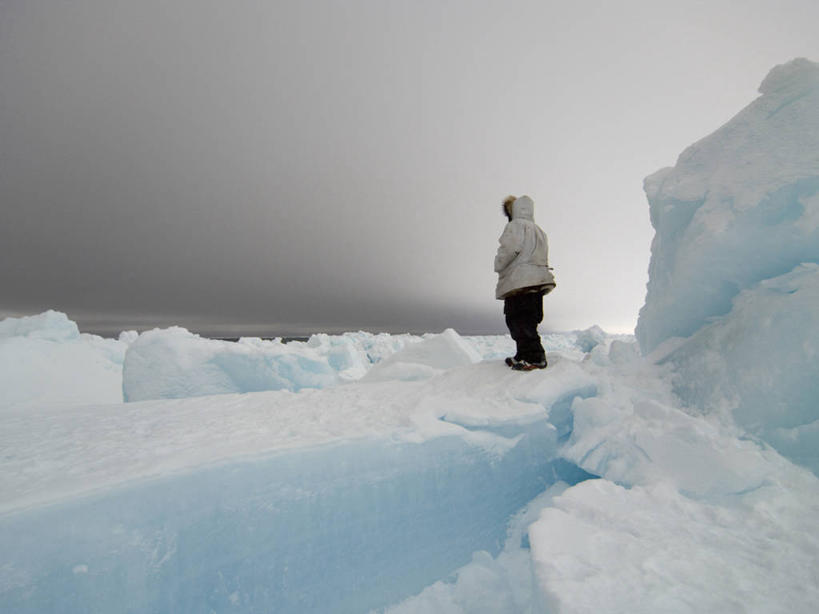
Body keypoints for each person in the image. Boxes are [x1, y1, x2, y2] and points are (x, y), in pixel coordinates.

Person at [494, 195, 555, 370]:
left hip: (520, 281)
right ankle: (523, 355)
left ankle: (535, 357)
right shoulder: (539, 230)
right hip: (537, 281)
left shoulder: (515, 226)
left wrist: (498, 264)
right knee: (529, 319)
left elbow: (510, 249)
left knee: (517, 319)